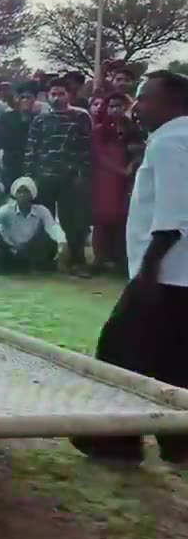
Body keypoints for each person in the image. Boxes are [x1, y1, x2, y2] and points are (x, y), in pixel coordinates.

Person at [70, 70, 188, 466]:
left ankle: (115, 443)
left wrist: (147, 271)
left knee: (120, 351)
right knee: (174, 360)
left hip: (166, 273)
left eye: (144, 98)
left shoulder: (171, 141)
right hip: (178, 276)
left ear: (172, 103)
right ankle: (179, 443)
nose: (136, 107)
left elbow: (174, 216)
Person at [24, 77, 92, 276]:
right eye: (53, 94)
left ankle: (77, 261)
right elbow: (31, 149)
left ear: (69, 95)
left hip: (71, 178)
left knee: (74, 221)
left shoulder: (81, 117)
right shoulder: (40, 119)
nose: (56, 97)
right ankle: (46, 259)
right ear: (47, 96)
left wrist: (83, 174)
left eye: (61, 93)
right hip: (44, 177)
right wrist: (29, 177)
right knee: (45, 218)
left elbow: (87, 148)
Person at [91, 93, 140, 274]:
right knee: (101, 219)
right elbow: (98, 155)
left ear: (126, 107)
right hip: (105, 180)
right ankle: (99, 260)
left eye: (119, 105)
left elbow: (139, 151)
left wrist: (131, 166)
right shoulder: (100, 129)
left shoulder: (134, 129)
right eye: (111, 105)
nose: (114, 109)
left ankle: (120, 260)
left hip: (127, 181)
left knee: (123, 219)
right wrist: (121, 170)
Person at [0, 177, 66, 275]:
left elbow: (52, 227)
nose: (22, 194)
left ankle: (35, 265)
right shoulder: (7, 209)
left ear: (32, 195)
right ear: (15, 195)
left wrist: (62, 242)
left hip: (29, 250)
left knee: (47, 237)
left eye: (26, 191)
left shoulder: (41, 210)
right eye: (19, 191)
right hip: (8, 249)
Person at [0, 82, 39, 186]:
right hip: (11, 165)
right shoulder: (7, 117)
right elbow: (1, 142)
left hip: (34, 166)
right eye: (22, 97)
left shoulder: (39, 119)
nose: (25, 101)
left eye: (28, 97)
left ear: (34, 99)